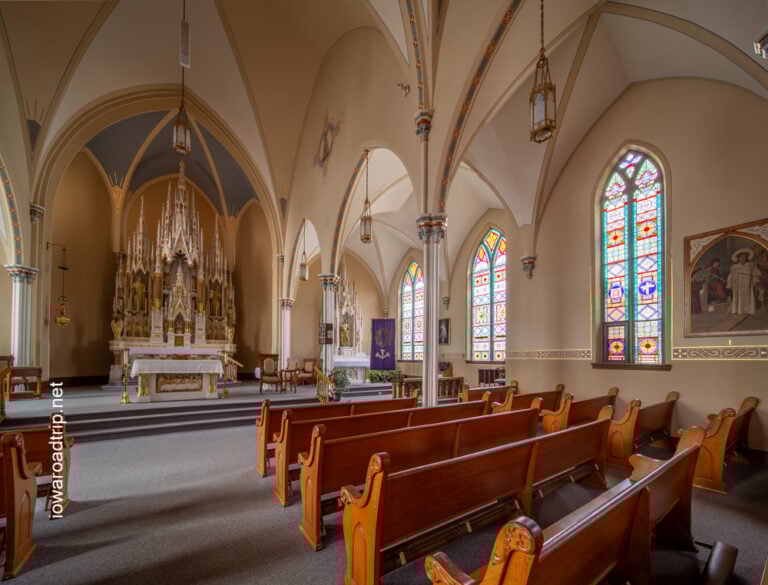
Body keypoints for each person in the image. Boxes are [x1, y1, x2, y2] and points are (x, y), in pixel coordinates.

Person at [726, 248, 762, 315]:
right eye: (741, 257)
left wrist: (755, 280)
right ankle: (738, 309)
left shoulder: (751, 265)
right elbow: (731, 276)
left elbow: (755, 273)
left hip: (747, 283)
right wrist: (730, 284)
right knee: (738, 296)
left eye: (744, 256)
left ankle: (747, 310)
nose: (743, 258)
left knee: (747, 296)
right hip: (737, 284)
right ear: (738, 258)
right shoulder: (734, 267)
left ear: (747, 257)